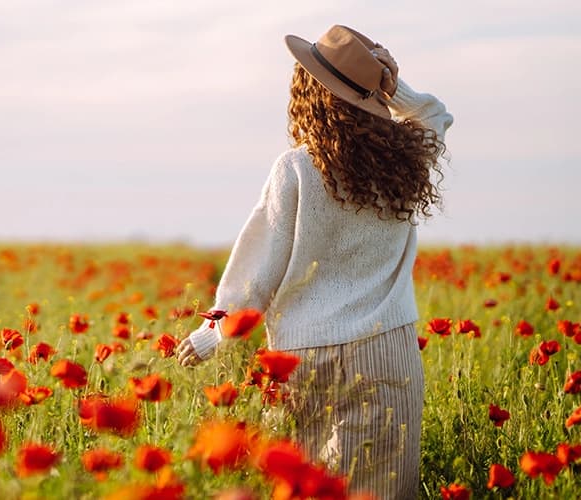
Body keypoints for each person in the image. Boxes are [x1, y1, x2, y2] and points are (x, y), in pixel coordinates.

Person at [176, 25, 452, 499]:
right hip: (385, 348)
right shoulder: (406, 162)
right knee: (380, 489)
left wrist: (214, 332)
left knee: (302, 488)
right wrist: (392, 86)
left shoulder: (297, 168)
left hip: (302, 357)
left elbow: (261, 267)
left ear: (310, 94)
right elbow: (434, 114)